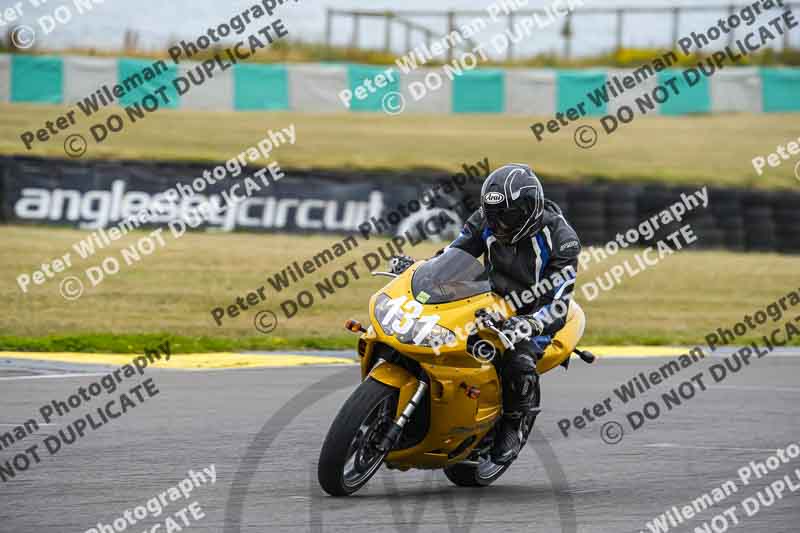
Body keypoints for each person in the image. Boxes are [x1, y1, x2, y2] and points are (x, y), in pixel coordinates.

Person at [394, 163, 581, 465]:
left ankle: (513, 423)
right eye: (493, 216)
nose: (498, 225)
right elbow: (455, 255)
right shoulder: (485, 220)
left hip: (534, 312)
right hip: (488, 297)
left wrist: (529, 323)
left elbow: (559, 301)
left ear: (528, 208)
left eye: (506, 216)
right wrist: (421, 270)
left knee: (518, 360)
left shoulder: (562, 239)